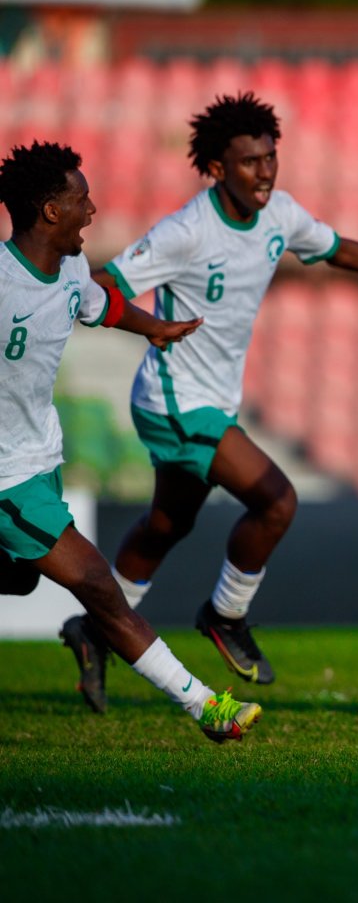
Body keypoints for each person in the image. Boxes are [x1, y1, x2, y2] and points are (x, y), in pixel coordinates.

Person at [60, 91, 358, 710]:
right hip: (175, 399)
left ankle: (92, 628)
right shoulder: (186, 230)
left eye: (269, 157)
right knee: (277, 500)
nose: (264, 171)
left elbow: (338, 247)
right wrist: (150, 326)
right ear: (217, 168)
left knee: (167, 525)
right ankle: (224, 615)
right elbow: (108, 287)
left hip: (215, 400)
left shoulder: (279, 216)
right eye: (248, 161)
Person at [0, 140, 261, 741]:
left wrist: (156, 329)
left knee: (20, 577)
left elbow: (102, 306)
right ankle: (207, 709)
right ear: (50, 212)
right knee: (97, 584)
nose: (92, 209)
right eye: (80, 198)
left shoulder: (67, 271)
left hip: (40, 457)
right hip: (7, 475)